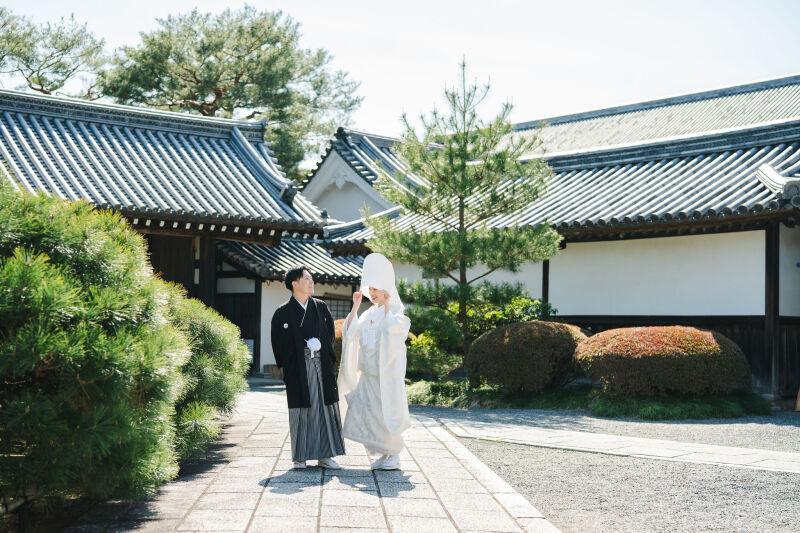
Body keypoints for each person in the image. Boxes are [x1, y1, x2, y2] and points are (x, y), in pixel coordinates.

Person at [337, 253, 411, 470]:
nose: (372, 293)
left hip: (384, 375)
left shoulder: (397, 312)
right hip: (367, 373)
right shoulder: (369, 312)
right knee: (369, 414)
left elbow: (393, 332)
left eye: (375, 289)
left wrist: (388, 307)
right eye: (370, 289)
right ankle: (382, 452)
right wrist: (355, 306)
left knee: (387, 413)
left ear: (386, 290)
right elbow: (351, 333)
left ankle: (394, 453)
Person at [270, 265, 345, 469]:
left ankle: (325, 455)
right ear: (294, 284)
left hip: (320, 363)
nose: (311, 282)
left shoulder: (320, 307)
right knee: (301, 409)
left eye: (311, 278)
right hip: (298, 367)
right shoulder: (282, 312)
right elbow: (277, 342)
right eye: (306, 279)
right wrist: (290, 362)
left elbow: (329, 334)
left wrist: (320, 346)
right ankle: (300, 456)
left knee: (324, 407)